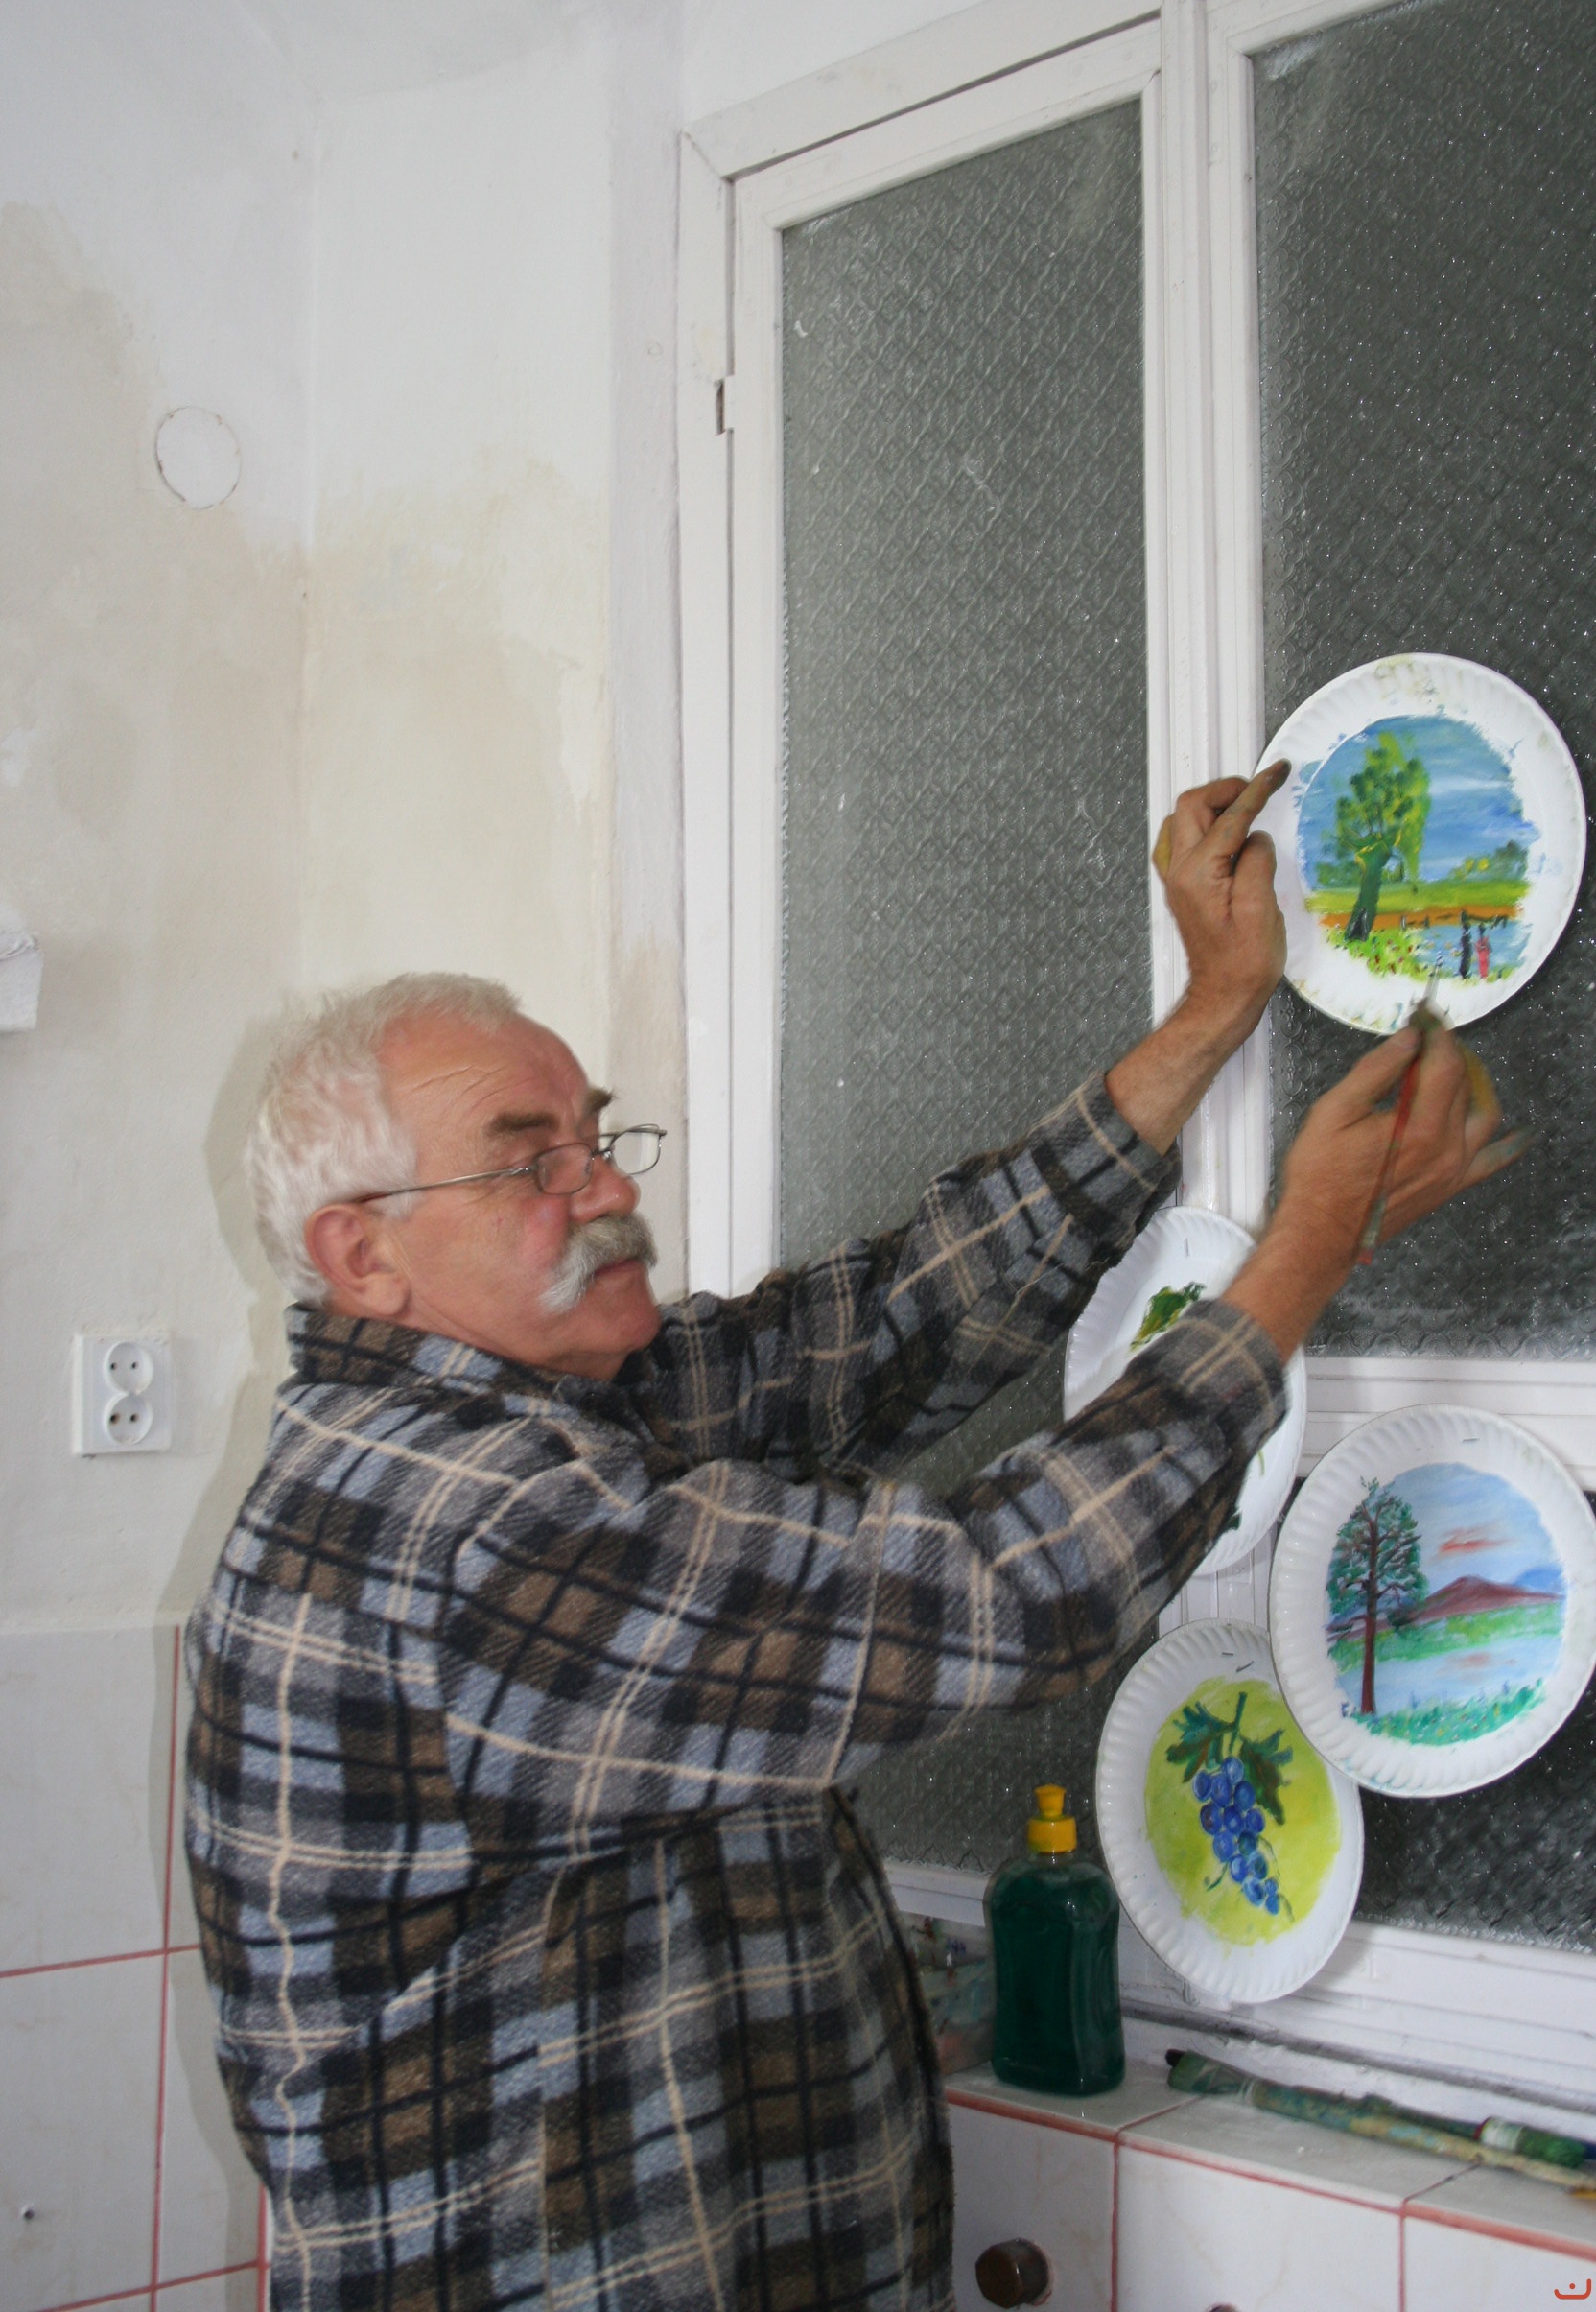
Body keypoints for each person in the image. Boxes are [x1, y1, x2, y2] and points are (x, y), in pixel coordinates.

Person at [186, 767, 1517, 2312]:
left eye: (597, 1138)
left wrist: (1213, 1015)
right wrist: (1307, 1249)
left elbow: (885, 1326)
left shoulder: (562, 1413)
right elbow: (1010, 1593)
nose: (607, 1188)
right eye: (528, 1160)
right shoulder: (448, 1530)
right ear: (361, 1255)